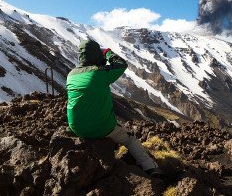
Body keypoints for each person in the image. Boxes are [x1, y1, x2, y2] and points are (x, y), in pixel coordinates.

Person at [66, 39, 162, 178]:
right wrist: (107, 53)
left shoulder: (71, 75)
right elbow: (121, 64)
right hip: (102, 127)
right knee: (130, 138)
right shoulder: (100, 72)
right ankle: (150, 167)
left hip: (76, 128)